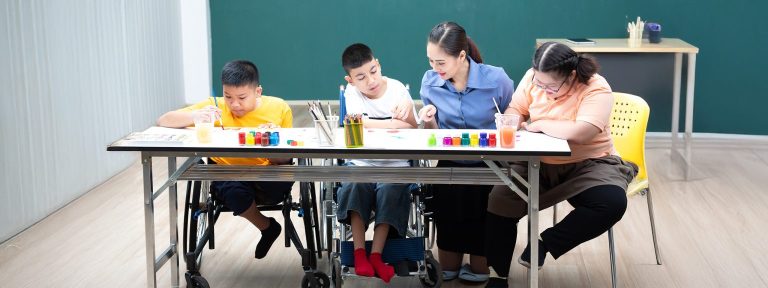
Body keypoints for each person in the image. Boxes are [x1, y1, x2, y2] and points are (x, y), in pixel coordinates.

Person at [483, 42, 638, 288]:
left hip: (590, 164)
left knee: (612, 203)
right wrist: (511, 120)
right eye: (539, 83)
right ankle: (497, 276)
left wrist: (539, 124)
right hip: (539, 162)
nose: (544, 90)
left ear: (571, 76)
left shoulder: (596, 87)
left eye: (551, 86)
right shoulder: (532, 78)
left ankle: (544, 244)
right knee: (499, 200)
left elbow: (582, 132)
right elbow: (516, 108)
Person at [157, 60, 294, 259]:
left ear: (258, 92)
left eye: (242, 97)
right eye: (228, 96)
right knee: (233, 191)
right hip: (228, 174)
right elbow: (164, 120)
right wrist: (196, 116)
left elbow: (285, 160)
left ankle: (267, 226)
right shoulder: (214, 106)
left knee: (275, 181)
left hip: (269, 174)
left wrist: (272, 142)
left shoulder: (279, 108)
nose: (234, 104)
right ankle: (267, 227)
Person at [417, 21, 514, 283]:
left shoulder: (496, 80)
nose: (434, 68)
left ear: (461, 56)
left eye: (441, 62)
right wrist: (429, 120)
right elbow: (435, 136)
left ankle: (484, 261)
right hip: (450, 166)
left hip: (489, 167)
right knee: (447, 269)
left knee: (481, 268)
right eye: (430, 61)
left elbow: (514, 117)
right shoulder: (430, 82)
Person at [335, 43, 417, 283]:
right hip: (361, 164)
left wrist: (374, 123)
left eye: (373, 71)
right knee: (354, 186)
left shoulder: (397, 89)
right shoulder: (352, 93)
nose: (370, 80)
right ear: (350, 80)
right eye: (361, 77)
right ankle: (360, 254)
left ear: (378, 65)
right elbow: (356, 125)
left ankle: (376, 256)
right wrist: (393, 123)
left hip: (395, 166)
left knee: (391, 190)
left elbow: (412, 126)